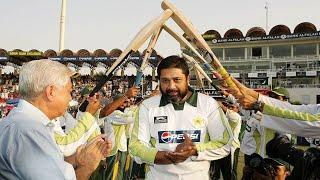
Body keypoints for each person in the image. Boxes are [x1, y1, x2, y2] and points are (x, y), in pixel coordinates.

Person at [0, 59, 112, 179]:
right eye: (69, 91)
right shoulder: (28, 133)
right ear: (51, 92)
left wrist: (78, 158)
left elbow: (50, 165)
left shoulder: (26, 124)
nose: (70, 98)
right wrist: (86, 167)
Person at [129, 55, 233, 179]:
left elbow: (224, 143)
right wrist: (163, 157)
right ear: (159, 81)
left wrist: (194, 150)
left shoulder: (208, 104)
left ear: (187, 78)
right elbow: (135, 147)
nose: (171, 86)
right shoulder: (148, 106)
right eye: (165, 80)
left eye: (177, 79)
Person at [218, 74, 320, 137]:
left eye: (276, 96)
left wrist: (258, 105)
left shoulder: (278, 114)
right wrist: (251, 94)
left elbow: (306, 121)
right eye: (271, 95)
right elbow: (294, 110)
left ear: (285, 99)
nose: (273, 98)